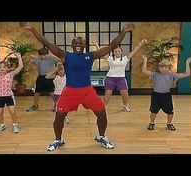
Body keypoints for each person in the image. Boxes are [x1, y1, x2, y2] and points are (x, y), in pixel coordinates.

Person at [20, 22, 135, 151]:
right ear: (72, 45)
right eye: (76, 43)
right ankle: (58, 139)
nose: (78, 45)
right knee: (59, 115)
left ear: (84, 45)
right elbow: (46, 43)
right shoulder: (65, 55)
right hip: (70, 91)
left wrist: (124, 31)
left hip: (87, 90)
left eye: (81, 43)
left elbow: (111, 46)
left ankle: (101, 136)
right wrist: (33, 29)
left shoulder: (91, 56)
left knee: (102, 113)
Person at [93, 39, 147, 112]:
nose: (117, 52)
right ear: (113, 52)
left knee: (125, 93)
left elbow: (134, 50)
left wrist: (140, 43)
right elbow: (101, 53)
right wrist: (96, 44)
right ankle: (104, 107)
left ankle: (125, 106)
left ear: (121, 52)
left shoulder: (125, 58)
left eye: (119, 51)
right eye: (115, 51)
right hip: (110, 78)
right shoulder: (110, 59)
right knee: (108, 94)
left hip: (121, 79)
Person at [142, 55, 191, 131]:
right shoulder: (155, 75)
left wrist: (187, 63)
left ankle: (169, 123)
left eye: (166, 67)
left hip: (166, 95)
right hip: (156, 95)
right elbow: (144, 71)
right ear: (159, 68)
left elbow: (187, 74)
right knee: (154, 111)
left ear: (169, 68)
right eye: (162, 67)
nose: (163, 69)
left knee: (170, 111)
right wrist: (145, 60)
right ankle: (151, 123)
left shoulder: (172, 75)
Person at [26, 48, 60, 112]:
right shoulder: (38, 60)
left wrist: (51, 55)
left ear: (47, 54)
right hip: (41, 78)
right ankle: (35, 105)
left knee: (52, 92)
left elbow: (59, 60)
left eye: (45, 55)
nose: (43, 56)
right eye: (41, 55)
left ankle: (56, 105)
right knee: (36, 92)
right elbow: (29, 61)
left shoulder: (51, 60)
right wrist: (31, 56)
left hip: (49, 78)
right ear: (39, 55)